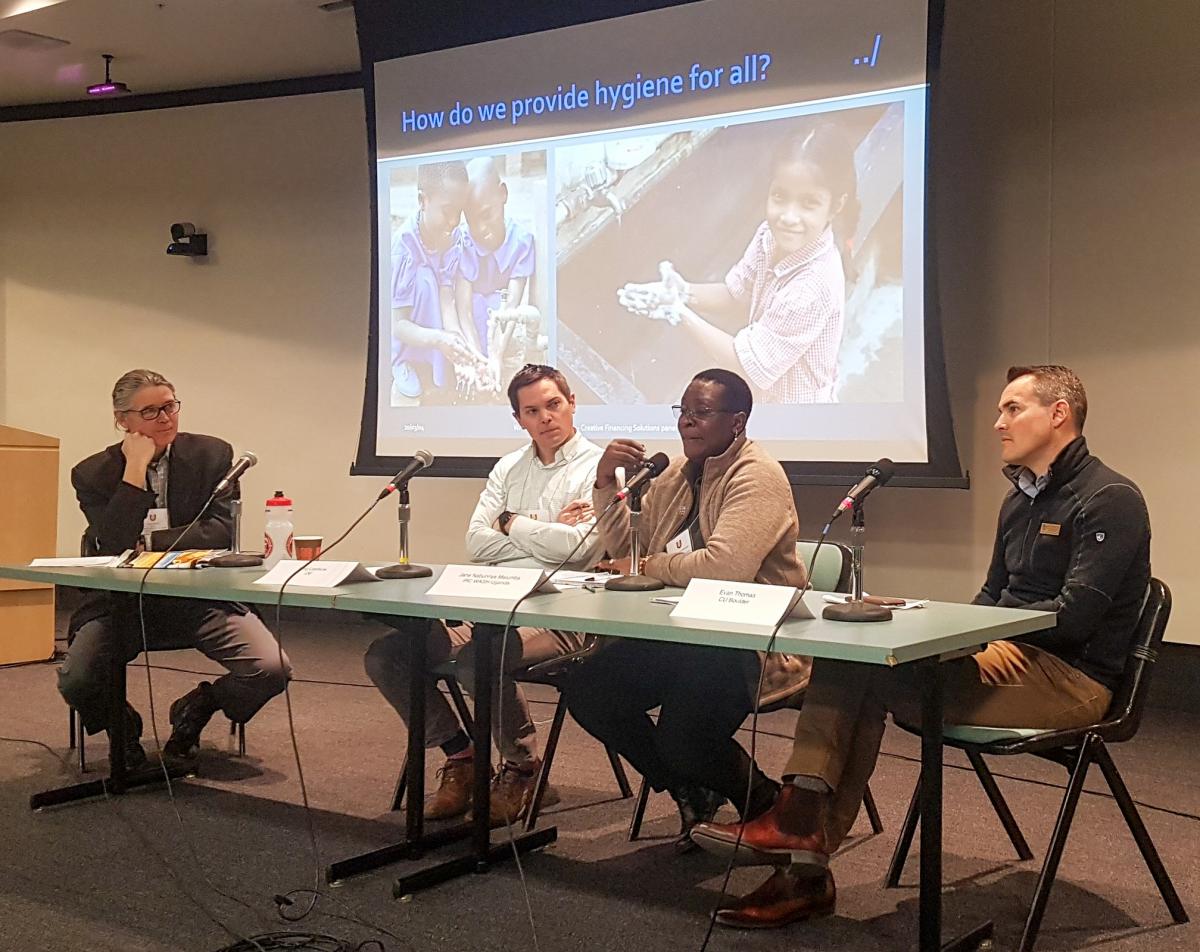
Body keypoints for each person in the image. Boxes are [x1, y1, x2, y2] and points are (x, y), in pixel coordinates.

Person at [691, 365, 1151, 929]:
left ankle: (802, 849)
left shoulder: (1110, 498)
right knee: (855, 650)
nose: (998, 423)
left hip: (1071, 680)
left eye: (1013, 409)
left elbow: (1075, 619)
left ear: (1059, 414)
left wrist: (963, 630)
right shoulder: (1020, 500)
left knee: (867, 665)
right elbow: (991, 596)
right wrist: (931, 618)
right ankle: (801, 835)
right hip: (1010, 656)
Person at [563, 368, 811, 853]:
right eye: (683, 412)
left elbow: (726, 568)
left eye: (702, 413)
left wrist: (651, 563)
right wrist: (603, 481)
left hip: (747, 643)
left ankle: (764, 804)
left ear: (737, 422)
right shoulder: (676, 473)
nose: (688, 423)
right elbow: (625, 547)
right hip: (678, 631)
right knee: (590, 689)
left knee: (685, 739)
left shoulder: (757, 474)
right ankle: (688, 787)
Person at [364, 364, 603, 826]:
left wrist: (511, 523)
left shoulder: (598, 468)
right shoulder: (508, 467)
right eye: (532, 411)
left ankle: (522, 768)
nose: (546, 418)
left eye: (554, 405)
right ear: (519, 419)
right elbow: (477, 542)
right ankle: (462, 757)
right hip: (492, 605)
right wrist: (549, 532)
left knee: (478, 660)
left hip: (565, 613)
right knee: (386, 656)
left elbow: (581, 550)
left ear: (573, 403)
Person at [60, 369, 292, 767]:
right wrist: (135, 470)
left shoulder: (212, 455)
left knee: (271, 668)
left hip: (200, 599)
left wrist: (150, 543)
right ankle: (122, 727)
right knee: (77, 678)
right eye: (150, 411)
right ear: (122, 421)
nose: (165, 417)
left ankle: (200, 705)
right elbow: (114, 543)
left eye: (170, 405)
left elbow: (220, 530)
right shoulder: (92, 473)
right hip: (122, 605)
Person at [617, 123, 858, 404]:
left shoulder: (812, 287)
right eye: (780, 197)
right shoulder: (769, 236)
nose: (788, 217)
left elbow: (749, 366)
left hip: (794, 415)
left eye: (809, 203)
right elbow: (736, 293)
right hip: (763, 398)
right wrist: (682, 291)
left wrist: (677, 311)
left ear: (836, 206)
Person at [390, 159, 479, 402]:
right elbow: (397, 325)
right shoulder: (404, 249)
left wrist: (462, 352)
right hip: (408, 335)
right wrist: (440, 340)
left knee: (439, 288)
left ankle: (438, 365)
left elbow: (447, 299)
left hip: (435, 333)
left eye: (459, 212)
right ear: (422, 200)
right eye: (447, 211)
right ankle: (404, 361)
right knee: (425, 280)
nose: (454, 221)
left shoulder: (452, 238)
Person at [455, 156, 537, 359]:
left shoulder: (522, 243)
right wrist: (477, 358)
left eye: (486, 215)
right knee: (476, 304)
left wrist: (497, 356)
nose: (481, 229)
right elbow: (464, 312)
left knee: (496, 305)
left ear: (503, 194)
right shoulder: (464, 243)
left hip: (498, 313)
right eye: (472, 221)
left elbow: (512, 304)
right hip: (471, 321)